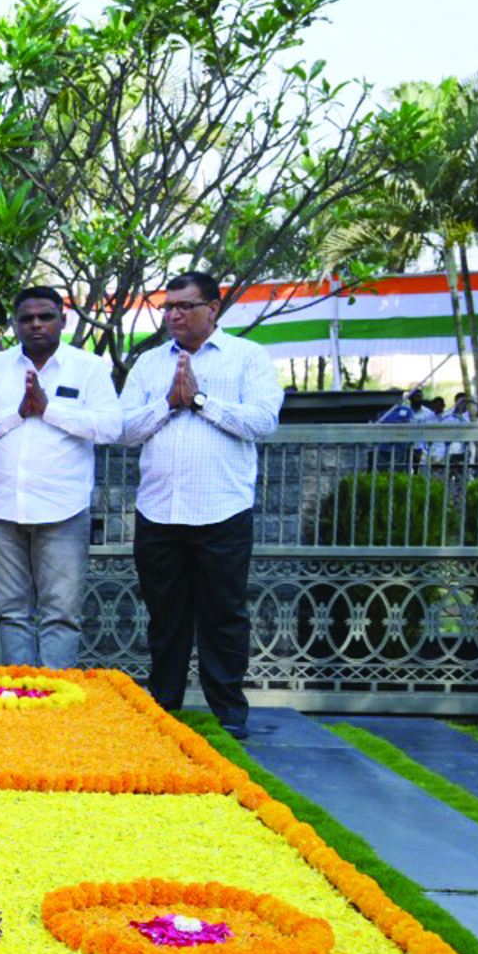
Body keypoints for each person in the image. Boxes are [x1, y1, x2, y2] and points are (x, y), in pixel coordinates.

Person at [119, 271, 283, 739]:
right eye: (168, 306)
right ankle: (163, 709)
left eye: (185, 306)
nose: (173, 315)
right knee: (165, 618)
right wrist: (170, 404)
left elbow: (264, 420)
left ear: (213, 308)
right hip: (159, 513)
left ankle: (229, 712)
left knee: (224, 615)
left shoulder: (246, 358)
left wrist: (201, 401)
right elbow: (124, 429)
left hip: (222, 512)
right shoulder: (150, 364)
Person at [0, 286, 118, 669]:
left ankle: (55, 706)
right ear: (15, 324)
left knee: (61, 614)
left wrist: (50, 410)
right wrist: (19, 412)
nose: (36, 325)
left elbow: (110, 427)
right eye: (26, 318)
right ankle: (22, 702)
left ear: (63, 319)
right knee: (11, 613)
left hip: (63, 511)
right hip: (3, 511)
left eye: (45, 317)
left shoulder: (88, 368)